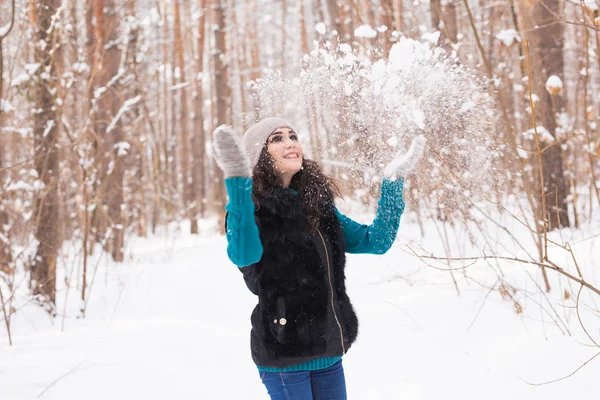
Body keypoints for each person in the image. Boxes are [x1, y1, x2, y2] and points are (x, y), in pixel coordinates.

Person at [213, 117, 426, 400]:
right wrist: (239, 182)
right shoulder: (251, 208)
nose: (290, 143)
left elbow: (374, 241)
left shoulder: (317, 205)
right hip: (284, 353)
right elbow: (243, 255)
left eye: (293, 136)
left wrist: (393, 182)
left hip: (327, 349)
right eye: (277, 139)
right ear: (259, 155)